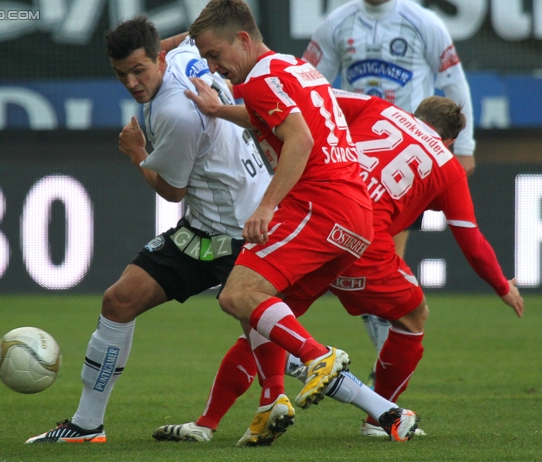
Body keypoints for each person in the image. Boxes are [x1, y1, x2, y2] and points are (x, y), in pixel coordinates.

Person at [152, 91, 523, 443]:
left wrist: (220, 110)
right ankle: (379, 419)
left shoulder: (377, 109)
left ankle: (207, 423)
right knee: (413, 317)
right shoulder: (447, 165)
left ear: (414, 115)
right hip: (362, 241)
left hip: (317, 223)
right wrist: (502, 286)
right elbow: (470, 239)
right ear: (450, 142)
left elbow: (300, 109)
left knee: (264, 317)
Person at [185, 0, 423, 446]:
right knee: (267, 315)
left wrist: (267, 205)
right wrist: (219, 111)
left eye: (216, 55)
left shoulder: (258, 81)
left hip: (318, 203)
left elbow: (299, 138)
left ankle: (317, 358)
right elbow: (282, 117)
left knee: (238, 294)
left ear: (242, 39)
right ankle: (383, 412)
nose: (215, 67)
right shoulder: (295, 68)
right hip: (355, 217)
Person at [24, 16, 271, 444]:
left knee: (282, 345)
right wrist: (166, 44)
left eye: (139, 71)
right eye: (122, 75)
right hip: (204, 231)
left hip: (239, 235)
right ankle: (86, 425)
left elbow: (172, 191)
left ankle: (382, 410)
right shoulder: (182, 53)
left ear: (158, 59)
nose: (133, 83)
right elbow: (186, 38)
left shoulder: (175, 112)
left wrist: (138, 153)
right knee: (119, 301)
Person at [302, 0, 478, 381]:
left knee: (371, 269)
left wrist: (463, 148)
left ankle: (370, 378)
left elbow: (453, 80)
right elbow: (312, 85)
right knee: (360, 272)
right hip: (353, 159)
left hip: (406, 168)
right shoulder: (336, 22)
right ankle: (374, 384)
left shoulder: (423, 22)